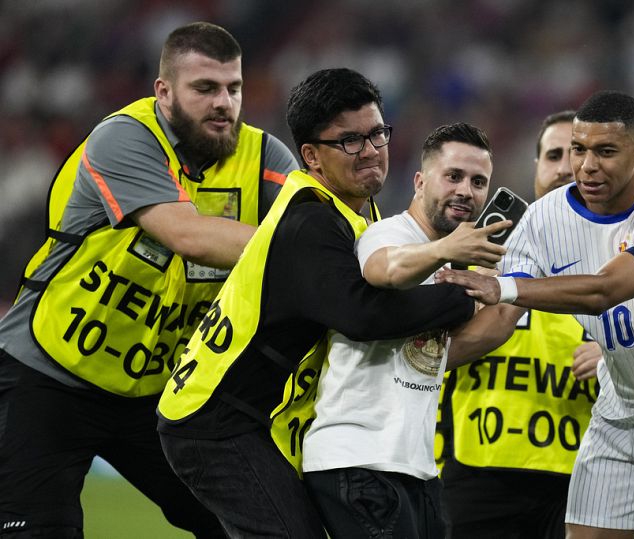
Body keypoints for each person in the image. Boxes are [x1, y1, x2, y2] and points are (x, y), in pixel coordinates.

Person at [157, 69, 488, 538]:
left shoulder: (355, 212)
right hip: (215, 421)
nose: (371, 150)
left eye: (377, 133)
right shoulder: (310, 220)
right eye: (350, 141)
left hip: (250, 413)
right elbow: (361, 315)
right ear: (311, 155)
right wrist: (460, 299)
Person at [0, 21, 299, 537]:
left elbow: (321, 228)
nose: (223, 103)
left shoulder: (266, 160)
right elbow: (185, 233)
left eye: (233, 88)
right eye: (204, 88)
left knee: (247, 522)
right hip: (48, 373)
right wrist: (313, 251)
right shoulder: (124, 137)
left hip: (156, 392)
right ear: (163, 92)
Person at [437, 90, 634, 538]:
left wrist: (502, 286)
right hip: (622, 399)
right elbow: (501, 319)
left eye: (605, 152)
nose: (585, 166)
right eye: (578, 150)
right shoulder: (544, 218)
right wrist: (425, 362)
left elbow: (607, 290)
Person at [300, 122, 508, 539]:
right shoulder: (390, 233)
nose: (466, 190)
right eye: (454, 176)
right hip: (359, 460)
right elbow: (383, 270)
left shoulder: (452, 263)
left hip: (415, 468)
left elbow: (467, 344)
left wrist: (508, 282)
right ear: (420, 181)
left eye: (478, 181)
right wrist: (446, 251)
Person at [439, 110, 602, 539]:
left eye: (579, 155)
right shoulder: (477, 248)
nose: (566, 167)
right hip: (477, 467)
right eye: (554, 155)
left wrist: (612, 353)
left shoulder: (623, 264)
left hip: (580, 474)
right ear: (537, 167)